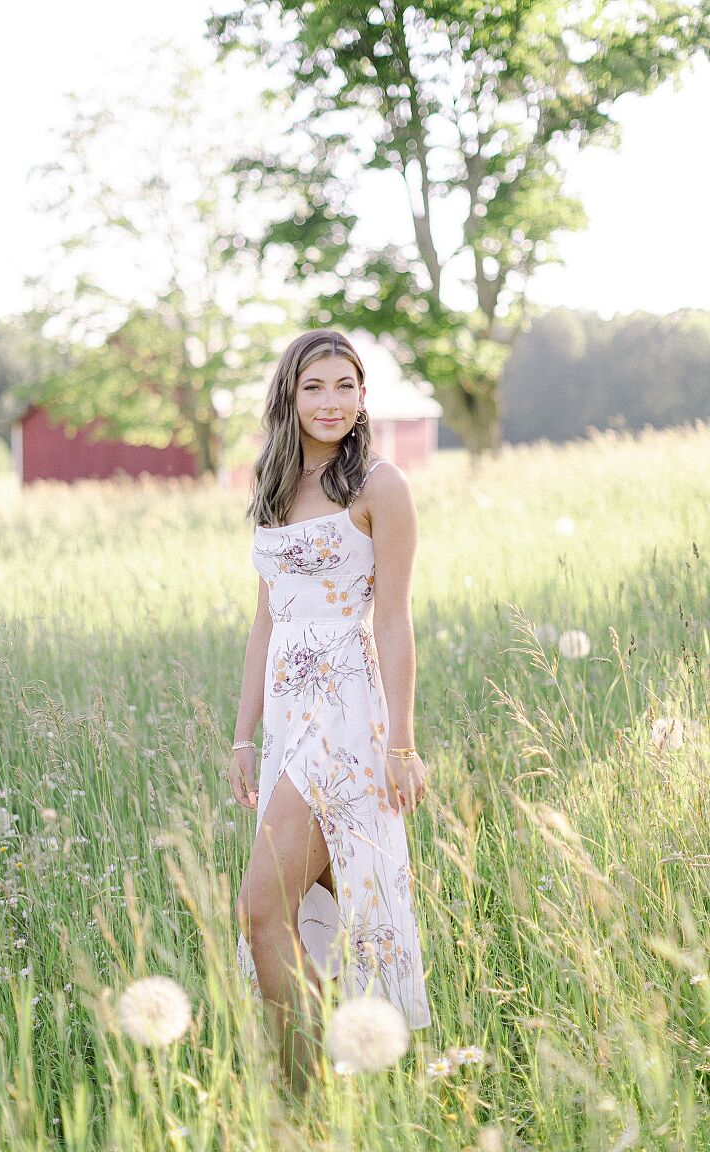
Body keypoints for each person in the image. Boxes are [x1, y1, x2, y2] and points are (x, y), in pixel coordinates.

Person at [229, 328, 431, 1094]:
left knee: (260, 911)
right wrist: (242, 736)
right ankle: (330, 1087)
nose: (331, 402)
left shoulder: (381, 486)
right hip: (285, 717)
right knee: (333, 908)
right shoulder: (274, 486)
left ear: (363, 397)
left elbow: (395, 620)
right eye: (315, 386)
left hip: (347, 716)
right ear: (290, 394)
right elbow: (266, 620)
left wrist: (403, 746)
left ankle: (307, 1083)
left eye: (346, 385)